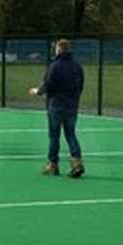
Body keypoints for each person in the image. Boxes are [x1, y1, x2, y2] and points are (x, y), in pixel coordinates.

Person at [30, 39, 85, 178]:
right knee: (71, 134)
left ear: (59, 50)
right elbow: (80, 86)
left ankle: (52, 164)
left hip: (56, 105)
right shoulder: (77, 66)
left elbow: (48, 85)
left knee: (54, 135)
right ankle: (77, 162)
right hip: (72, 105)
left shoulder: (54, 66)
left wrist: (38, 91)